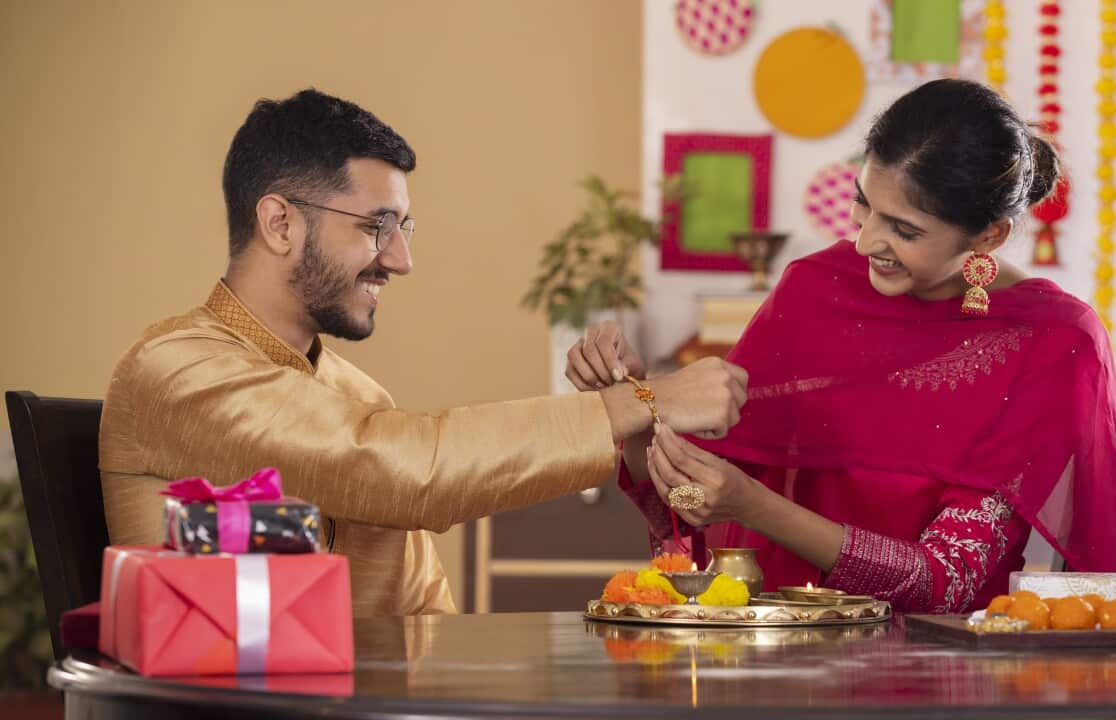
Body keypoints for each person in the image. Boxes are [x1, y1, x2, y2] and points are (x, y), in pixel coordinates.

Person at [100, 88, 747, 616]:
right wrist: (642, 400)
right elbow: (411, 472)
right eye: (375, 226)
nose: (401, 260)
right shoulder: (177, 371)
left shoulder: (354, 397)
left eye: (402, 228)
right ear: (280, 223)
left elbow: (423, 620)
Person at [568, 79, 1116, 613]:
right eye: (863, 203)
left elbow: (947, 582)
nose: (867, 241)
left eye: (905, 230)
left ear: (990, 235)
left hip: (931, 670)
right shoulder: (816, 290)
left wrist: (755, 507)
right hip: (769, 647)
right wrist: (641, 408)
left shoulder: (1052, 340)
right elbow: (690, 502)